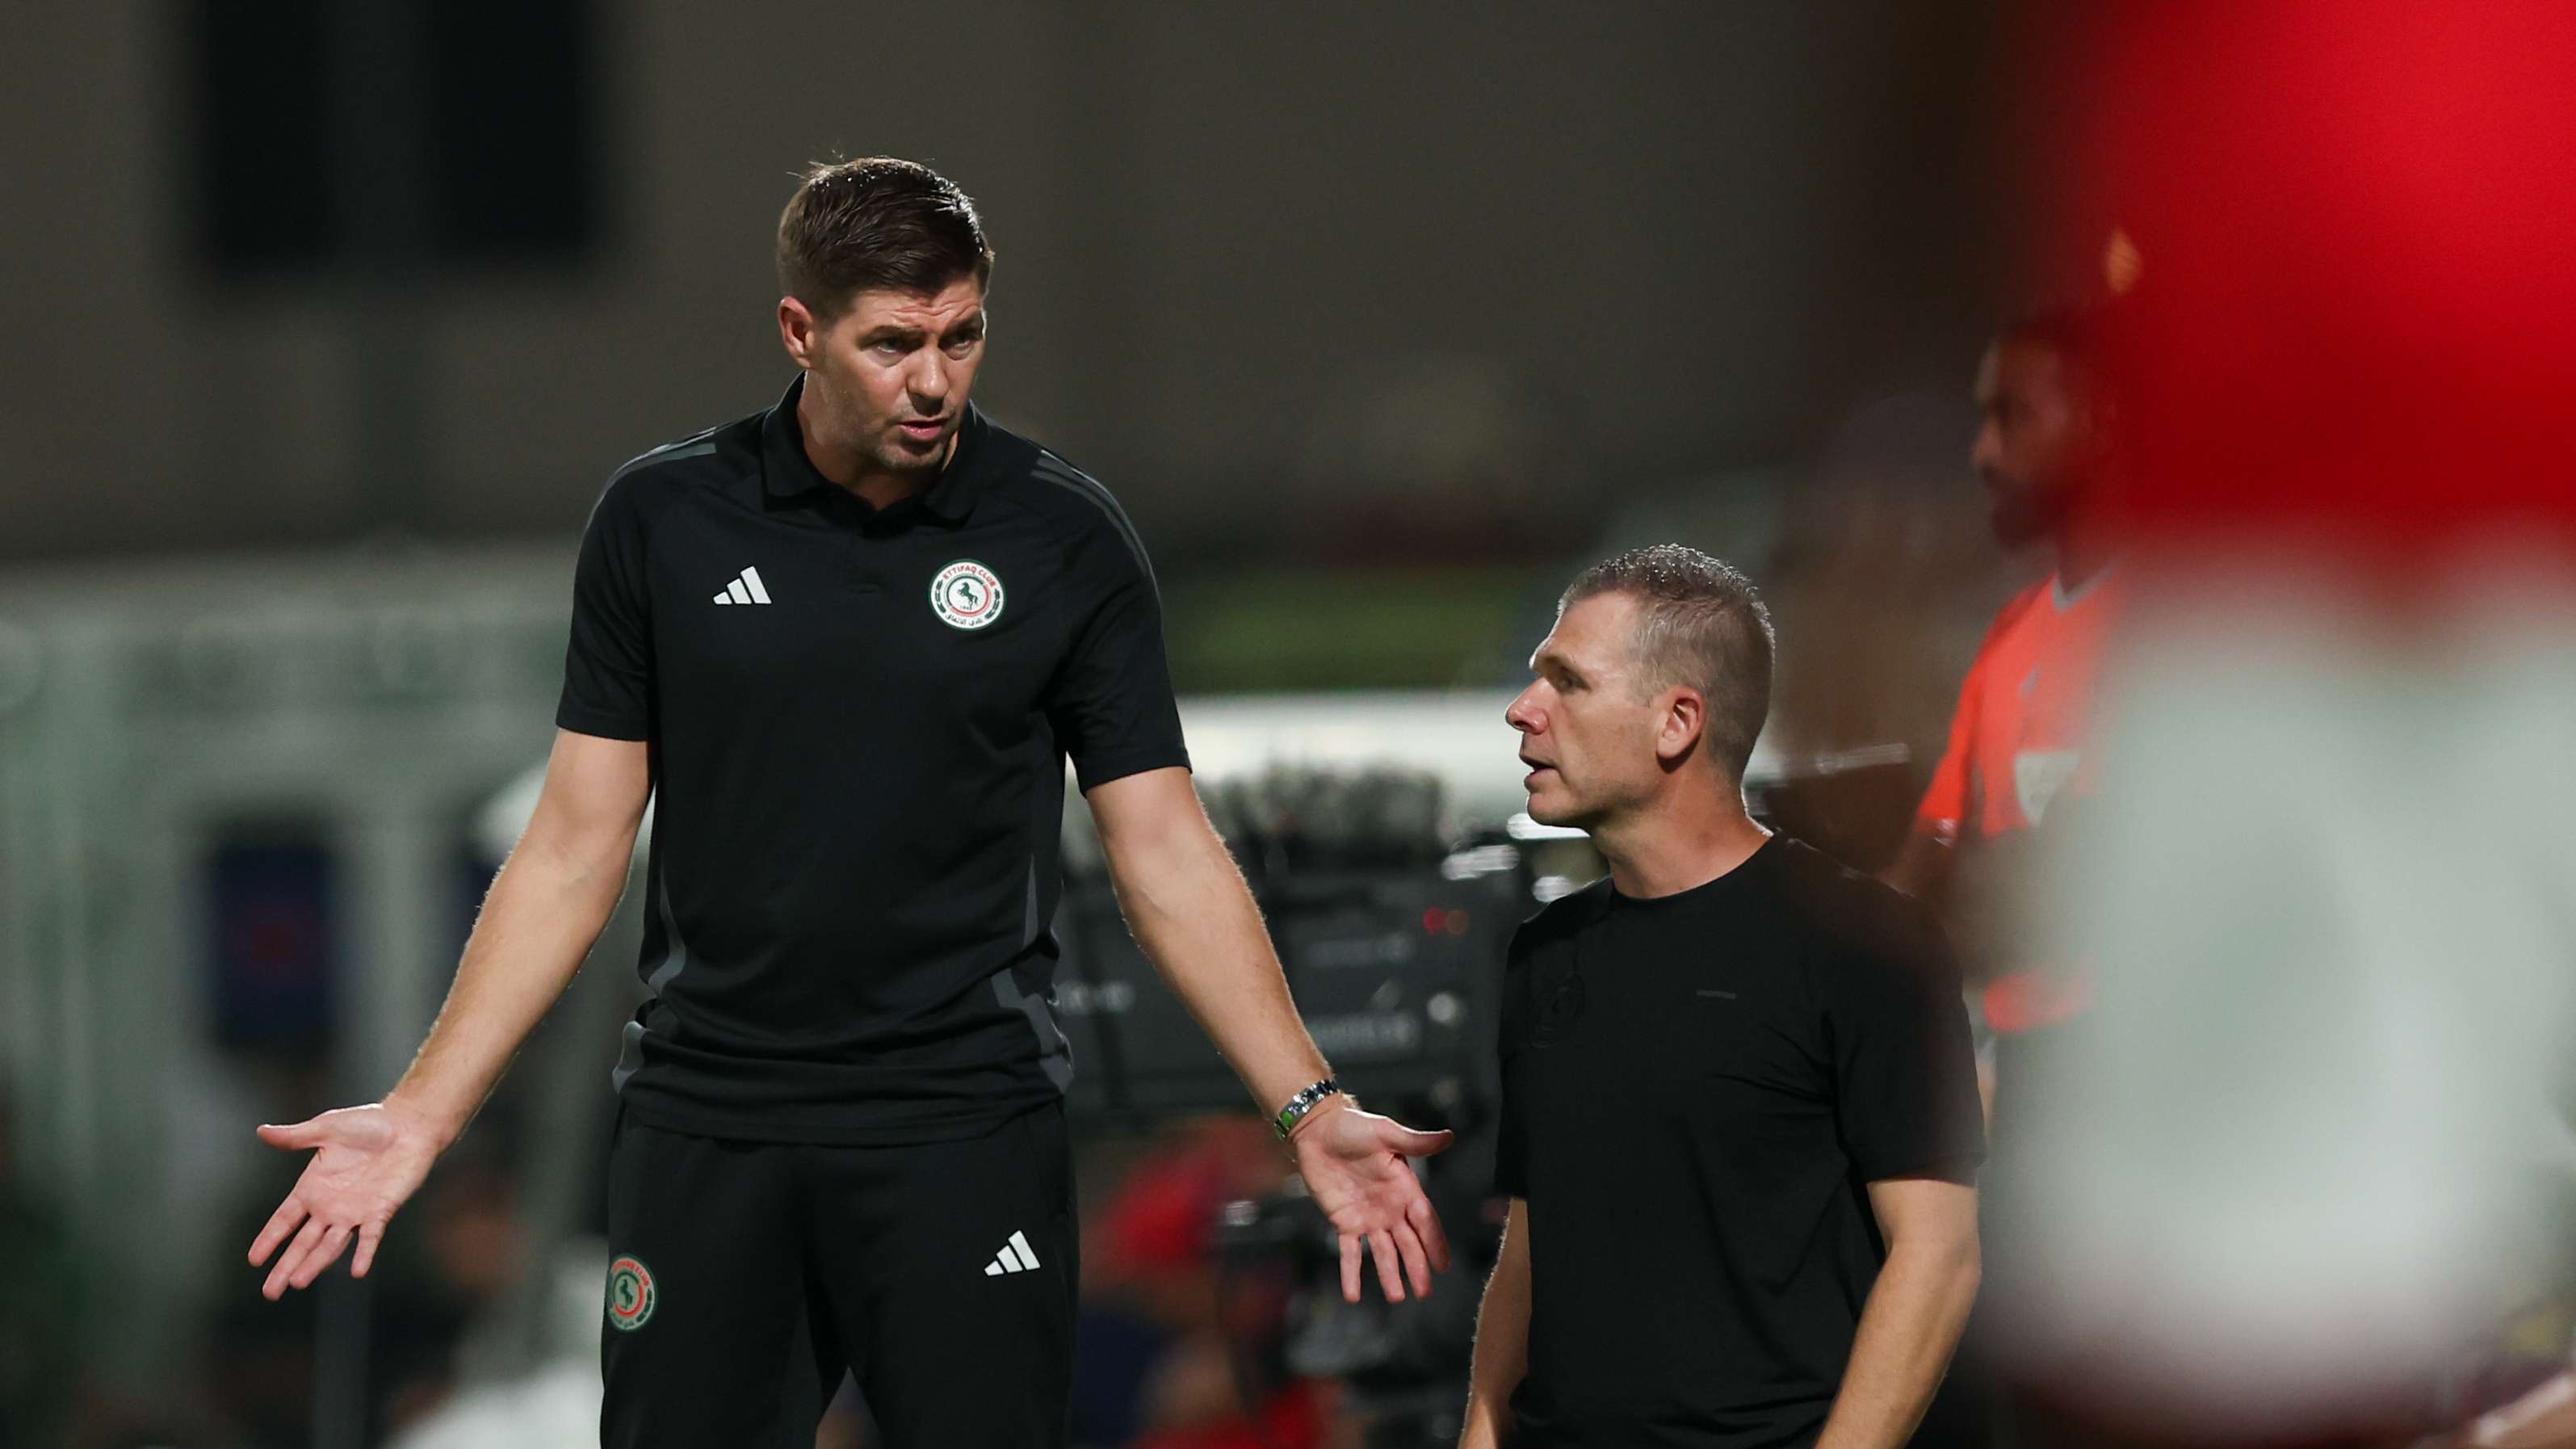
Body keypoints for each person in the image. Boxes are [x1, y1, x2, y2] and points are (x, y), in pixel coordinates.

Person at [246, 157, 1454, 1448]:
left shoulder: (1063, 540)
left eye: (961, 335)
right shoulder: (664, 521)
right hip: (710, 1127)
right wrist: (424, 1109)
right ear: (799, 331)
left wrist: (1309, 1105)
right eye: (891, 344)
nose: (933, 379)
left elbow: (1162, 849)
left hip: (965, 1126)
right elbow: (570, 849)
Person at [1461, 544, 1986, 1449]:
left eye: (1566, 682)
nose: (1523, 709)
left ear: (1677, 722)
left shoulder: (1863, 944)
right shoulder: (1544, 954)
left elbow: (1936, 1256)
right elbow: (1533, 1241)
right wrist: (1480, 1431)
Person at [1883, 307, 2123, 1094]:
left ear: (2099, 420)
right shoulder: (2011, 635)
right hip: (2025, 1066)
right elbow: (1932, 855)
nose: (1982, 452)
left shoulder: (2176, 634)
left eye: (2010, 417)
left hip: (2132, 1068)